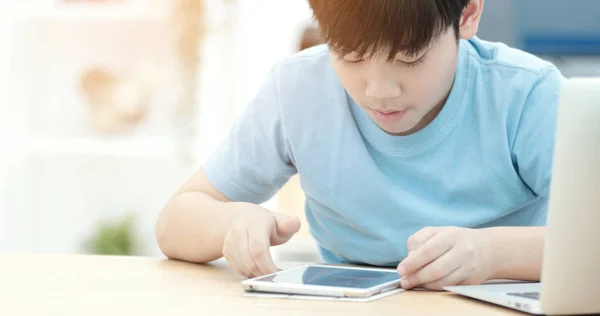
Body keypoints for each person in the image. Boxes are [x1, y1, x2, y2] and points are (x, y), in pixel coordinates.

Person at [155, 0, 565, 291]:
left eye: (409, 57)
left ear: (468, 13)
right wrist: (231, 224)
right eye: (350, 56)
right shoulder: (298, 90)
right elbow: (174, 222)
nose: (378, 90)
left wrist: (492, 254)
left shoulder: (526, 96)